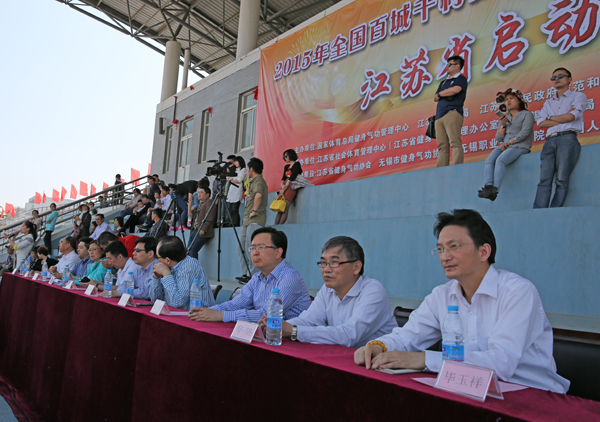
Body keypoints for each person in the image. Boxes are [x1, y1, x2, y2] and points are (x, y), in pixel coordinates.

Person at [354, 209, 569, 394]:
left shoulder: (518, 292)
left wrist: (424, 359)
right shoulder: (442, 294)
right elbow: (408, 335)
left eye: (454, 246)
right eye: (440, 249)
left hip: (532, 394)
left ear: (483, 251)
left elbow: (501, 363)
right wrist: (378, 346)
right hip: (471, 391)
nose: (444, 256)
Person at [259, 236, 397, 348]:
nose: (326, 269)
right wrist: (277, 326)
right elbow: (309, 320)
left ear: (356, 267)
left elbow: (349, 335)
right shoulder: (327, 289)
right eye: (323, 263)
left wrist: (293, 331)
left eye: (334, 263)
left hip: (379, 364)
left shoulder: (372, 291)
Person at [190, 227, 310, 323]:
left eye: (261, 247)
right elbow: (236, 304)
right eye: (252, 248)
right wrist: (205, 312)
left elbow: (267, 314)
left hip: (291, 340)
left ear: (278, 252)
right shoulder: (257, 278)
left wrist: (221, 315)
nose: (255, 252)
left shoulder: (290, 278)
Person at [534, 67, 588, 208]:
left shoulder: (578, 96)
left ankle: (555, 210)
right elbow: (540, 123)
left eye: (560, 76)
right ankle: (539, 212)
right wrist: (562, 117)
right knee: (544, 180)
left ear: (569, 79)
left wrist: (551, 118)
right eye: (553, 77)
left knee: (561, 179)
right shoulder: (548, 102)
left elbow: (571, 117)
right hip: (549, 141)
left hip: (567, 139)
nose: (556, 79)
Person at [478, 89, 534, 201]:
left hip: (520, 146)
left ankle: (495, 190)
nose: (508, 101)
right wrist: (503, 125)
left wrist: (509, 142)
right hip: (505, 146)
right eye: (506, 99)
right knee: (489, 160)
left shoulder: (526, 114)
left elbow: (525, 133)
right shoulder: (505, 117)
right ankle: (488, 186)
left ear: (519, 100)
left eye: (511, 98)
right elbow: (499, 138)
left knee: (500, 160)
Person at [150, 237, 215, 310]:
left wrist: (167, 275)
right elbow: (155, 300)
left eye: (157, 257)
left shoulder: (189, 267)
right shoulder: (167, 267)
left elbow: (178, 303)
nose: (157, 260)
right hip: (175, 313)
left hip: (198, 315)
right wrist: (156, 278)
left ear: (167, 260)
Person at [237, 157, 268, 282]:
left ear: (251, 169)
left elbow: (259, 195)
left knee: (252, 248)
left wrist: (254, 211)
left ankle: (253, 276)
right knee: (241, 247)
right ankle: (245, 274)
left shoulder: (259, 181)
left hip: (255, 220)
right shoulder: (253, 181)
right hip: (247, 221)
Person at [434, 55, 468, 167]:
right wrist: (442, 94)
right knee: (442, 146)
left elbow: (455, 90)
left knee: (454, 142)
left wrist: (441, 94)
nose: (447, 67)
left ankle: (457, 169)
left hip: (452, 112)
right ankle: (441, 171)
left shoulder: (461, 79)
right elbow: (435, 98)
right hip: (439, 116)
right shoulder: (444, 82)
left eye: (449, 64)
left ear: (457, 66)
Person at [188, 187, 217, 259]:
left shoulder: (209, 202)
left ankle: (194, 266)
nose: (199, 194)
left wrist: (203, 229)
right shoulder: (201, 203)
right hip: (195, 230)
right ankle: (190, 265)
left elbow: (209, 216)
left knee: (193, 250)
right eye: (199, 192)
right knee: (188, 250)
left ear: (207, 195)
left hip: (201, 230)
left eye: (201, 192)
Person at [274, 149, 302, 225]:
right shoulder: (286, 166)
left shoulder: (297, 164)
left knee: (285, 207)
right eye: (284, 156)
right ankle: (275, 226)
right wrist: (282, 186)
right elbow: (283, 178)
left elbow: (293, 177)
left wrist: (285, 187)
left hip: (291, 187)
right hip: (284, 188)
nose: (285, 158)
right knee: (279, 209)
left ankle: (280, 226)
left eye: (286, 156)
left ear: (291, 155)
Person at [225, 156, 247, 227]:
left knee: (235, 209)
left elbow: (239, 180)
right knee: (230, 210)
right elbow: (228, 178)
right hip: (232, 189)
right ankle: (231, 224)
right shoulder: (234, 170)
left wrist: (231, 180)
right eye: (234, 161)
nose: (235, 163)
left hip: (238, 190)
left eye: (236, 161)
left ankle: (236, 225)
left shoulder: (243, 169)